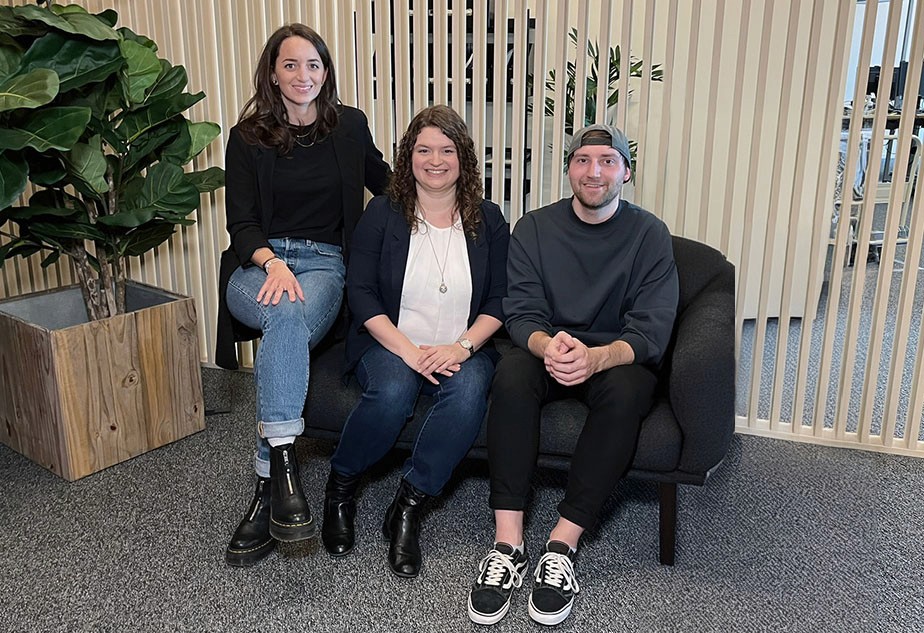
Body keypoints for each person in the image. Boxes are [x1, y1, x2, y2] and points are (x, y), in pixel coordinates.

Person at [466, 124, 679, 626]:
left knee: (627, 394)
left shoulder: (649, 234)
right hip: (550, 346)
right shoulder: (535, 228)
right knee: (511, 377)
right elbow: (521, 311)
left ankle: (562, 544)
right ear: (569, 170)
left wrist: (597, 357)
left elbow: (652, 328)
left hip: (614, 355)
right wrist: (547, 346)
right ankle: (509, 544)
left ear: (626, 172)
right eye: (583, 160)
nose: (594, 171)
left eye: (607, 160)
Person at [216, 24, 390, 568]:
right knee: (283, 309)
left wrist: (447, 198)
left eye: (313, 64)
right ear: (273, 73)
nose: (302, 75)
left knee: (287, 316)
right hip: (258, 266)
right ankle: (285, 467)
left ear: (326, 72)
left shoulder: (350, 126)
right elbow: (241, 223)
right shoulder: (247, 137)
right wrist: (272, 262)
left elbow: (387, 182)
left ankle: (270, 485)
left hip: (323, 266)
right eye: (290, 64)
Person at [321, 105, 509, 578]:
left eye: (447, 150)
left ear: (463, 158)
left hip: (462, 344)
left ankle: (408, 505)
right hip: (390, 341)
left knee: (468, 391)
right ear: (408, 157)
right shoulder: (383, 213)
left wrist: (461, 348)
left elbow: (502, 298)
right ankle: (341, 487)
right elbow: (361, 292)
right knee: (393, 390)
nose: (435, 160)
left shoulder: (487, 218)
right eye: (424, 150)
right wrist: (408, 351)